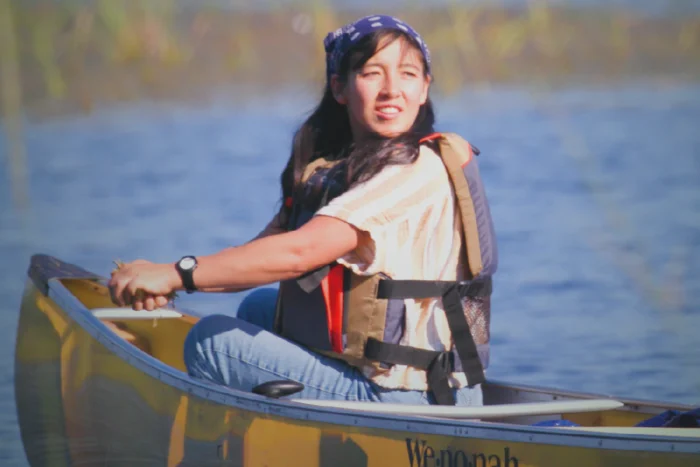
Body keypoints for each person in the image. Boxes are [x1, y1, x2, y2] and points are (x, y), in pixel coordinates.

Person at [108, 14, 497, 406]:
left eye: (408, 74)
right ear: (340, 87)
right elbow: (265, 252)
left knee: (210, 342)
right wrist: (168, 279)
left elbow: (300, 253)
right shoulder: (344, 167)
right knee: (259, 309)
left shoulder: (416, 167)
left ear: (424, 88)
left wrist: (179, 274)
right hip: (386, 378)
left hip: (414, 397)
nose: (392, 90)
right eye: (372, 73)